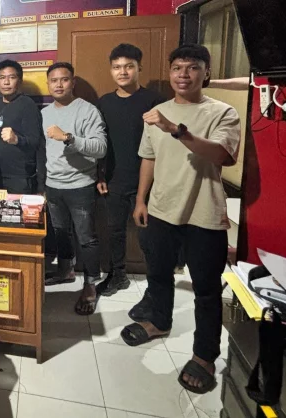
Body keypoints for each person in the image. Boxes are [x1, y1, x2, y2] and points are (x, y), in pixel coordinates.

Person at [121, 44, 240, 395]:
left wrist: (177, 129)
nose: (183, 74)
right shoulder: (157, 113)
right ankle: (159, 321)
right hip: (161, 208)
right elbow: (149, 158)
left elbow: (223, 155)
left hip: (204, 213)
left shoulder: (222, 112)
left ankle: (204, 355)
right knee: (158, 275)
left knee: (206, 290)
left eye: (192, 67)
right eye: (177, 68)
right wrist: (141, 199)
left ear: (206, 72)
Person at [95, 44, 166, 296]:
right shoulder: (104, 102)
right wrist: (100, 174)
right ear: (111, 70)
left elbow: (163, 145)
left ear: (139, 68)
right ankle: (118, 275)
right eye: (117, 67)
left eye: (129, 66)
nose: (122, 72)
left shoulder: (155, 101)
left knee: (150, 235)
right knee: (114, 230)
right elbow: (100, 142)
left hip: (148, 180)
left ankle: (157, 281)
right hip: (114, 178)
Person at [42, 62, 108, 315]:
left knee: (86, 238)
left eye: (64, 79)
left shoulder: (87, 110)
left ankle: (90, 285)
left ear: (73, 82)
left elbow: (100, 148)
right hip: (53, 184)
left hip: (80, 184)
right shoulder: (44, 113)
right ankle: (65, 270)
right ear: (48, 84)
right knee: (60, 233)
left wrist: (69, 138)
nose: (59, 85)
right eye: (54, 80)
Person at [0, 60, 45, 194]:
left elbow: (36, 142)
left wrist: (16, 139)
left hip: (20, 177)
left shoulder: (27, 105)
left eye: (12, 77)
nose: (6, 82)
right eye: (2, 78)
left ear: (19, 81)